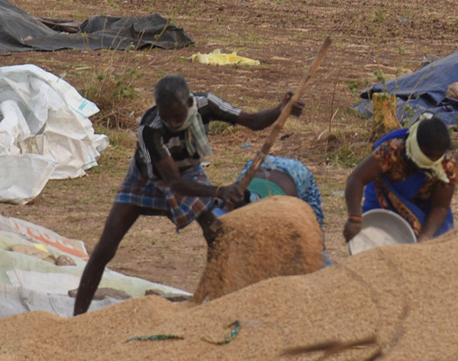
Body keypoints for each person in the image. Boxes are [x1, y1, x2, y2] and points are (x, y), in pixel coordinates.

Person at [73, 75, 303, 315]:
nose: (173, 122)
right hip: (147, 179)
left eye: (178, 115)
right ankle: (77, 316)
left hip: (189, 173)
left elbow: (253, 121)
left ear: (189, 104)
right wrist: (218, 191)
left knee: (218, 235)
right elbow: (174, 183)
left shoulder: (207, 104)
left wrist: (281, 109)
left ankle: (218, 300)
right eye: (166, 116)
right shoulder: (150, 129)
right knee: (105, 248)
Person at [343, 114, 456, 244]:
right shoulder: (392, 150)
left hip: (425, 209)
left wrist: (424, 239)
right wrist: (354, 218)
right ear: (418, 146)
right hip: (385, 200)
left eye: (438, 156)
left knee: (438, 248)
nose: (433, 160)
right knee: (373, 241)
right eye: (429, 155)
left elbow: (440, 207)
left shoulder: (446, 164)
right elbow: (356, 179)